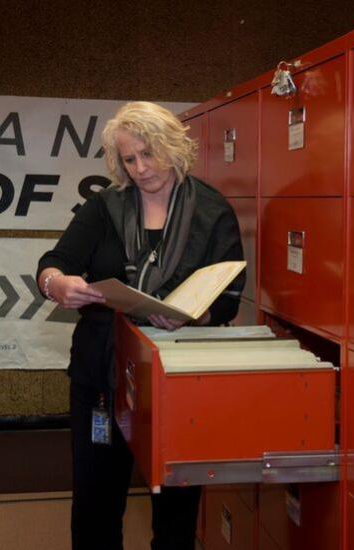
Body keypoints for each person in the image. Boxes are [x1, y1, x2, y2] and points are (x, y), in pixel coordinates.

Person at [36, 101, 245, 550]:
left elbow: (228, 296)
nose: (140, 168)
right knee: (96, 502)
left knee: (175, 509)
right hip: (101, 374)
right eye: (129, 159)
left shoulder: (212, 212)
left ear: (172, 147)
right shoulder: (104, 207)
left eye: (148, 154)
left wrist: (195, 314)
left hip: (178, 377)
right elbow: (56, 262)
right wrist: (57, 284)